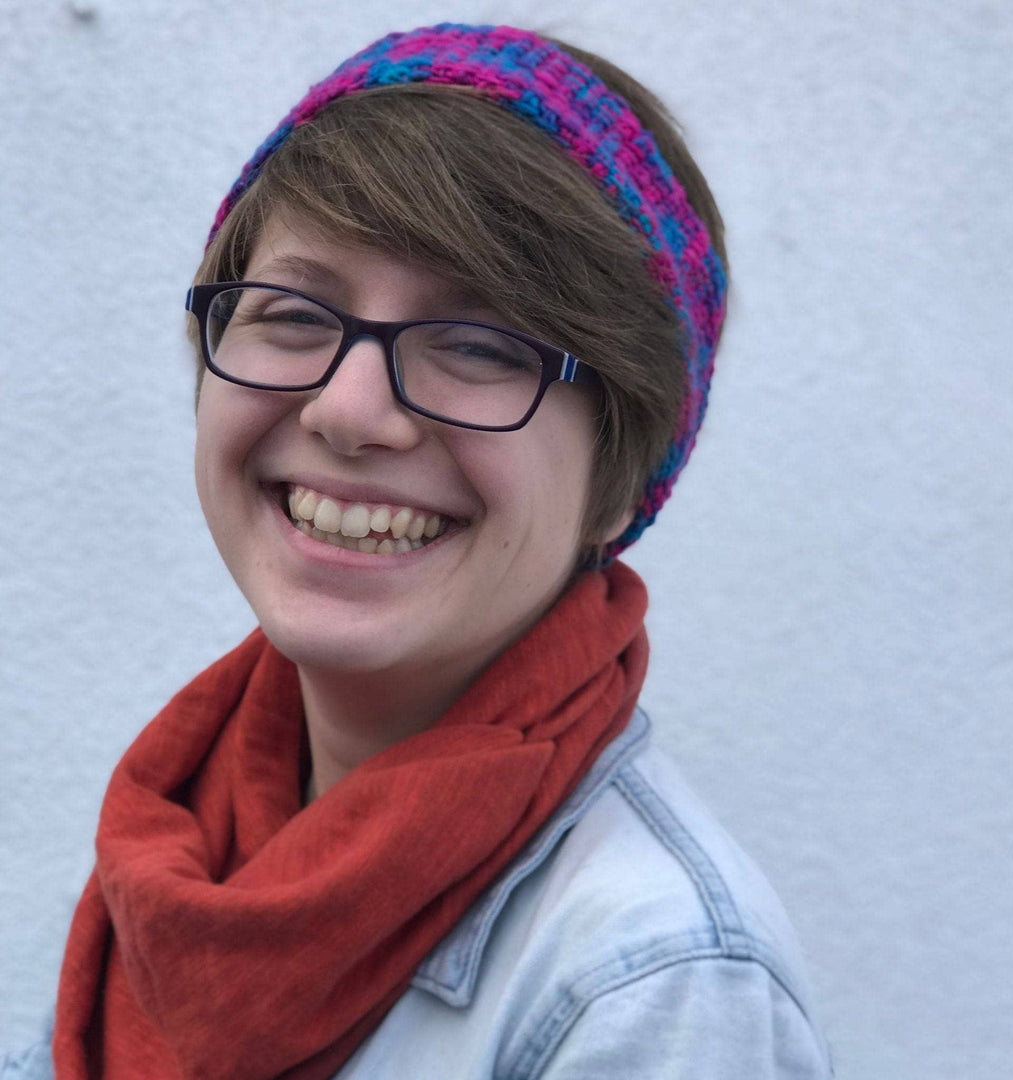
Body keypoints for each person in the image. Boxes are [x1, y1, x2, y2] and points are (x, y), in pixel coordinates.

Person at [3, 23, 832, 1080]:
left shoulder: (654, 983)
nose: (351, 410)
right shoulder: (187, 840)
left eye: (480, 346)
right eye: (294, 313)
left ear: (620, 476)